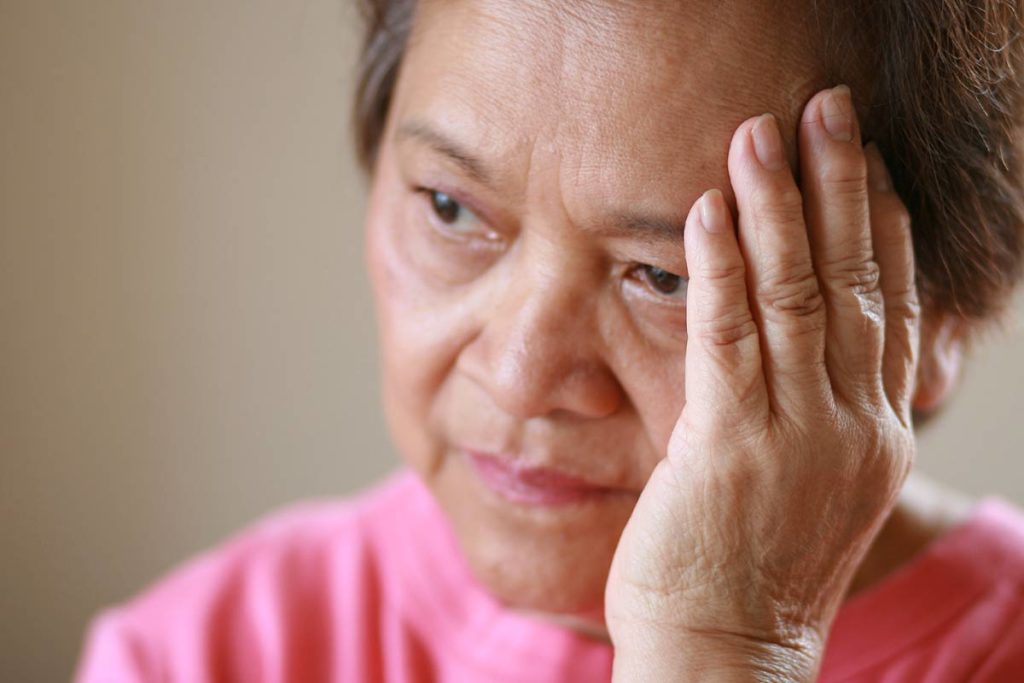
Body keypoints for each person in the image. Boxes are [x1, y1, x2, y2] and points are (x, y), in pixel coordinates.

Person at [75, 0, 1024, 680]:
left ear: (938, 318)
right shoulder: (200, 652)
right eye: (451, 209)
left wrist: (727, 646)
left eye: (669, 276)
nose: (523, 376)